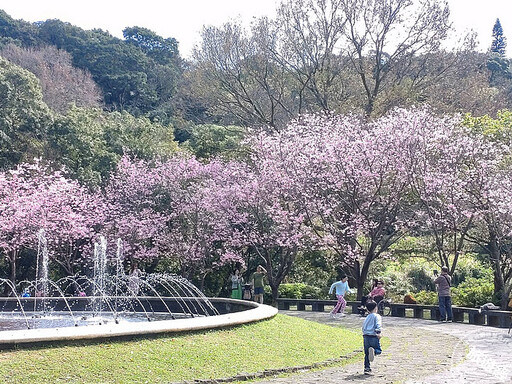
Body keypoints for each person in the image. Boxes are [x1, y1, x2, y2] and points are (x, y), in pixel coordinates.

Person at [362, 301, 383, 375]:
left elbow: (363, 326)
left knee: (366, 353)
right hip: (373, 336)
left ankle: (366, 368)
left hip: (366, 336)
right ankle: (374, 352)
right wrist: (378, 333)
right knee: (378, 350)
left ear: (367, 310)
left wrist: (364, 333)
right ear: (376, 308)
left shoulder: (367, 317)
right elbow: (378, 324)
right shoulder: (377, 316)